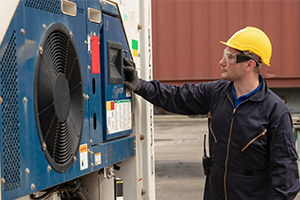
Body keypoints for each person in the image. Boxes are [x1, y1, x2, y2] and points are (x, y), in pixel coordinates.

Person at [123, 27, 300, 199]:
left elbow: (286, 176)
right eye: (225, 54)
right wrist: (140, 85)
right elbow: (177, 97)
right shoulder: (216, 92)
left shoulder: (275, 111)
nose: (221, 62)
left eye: (229, 57)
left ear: (249, 64)